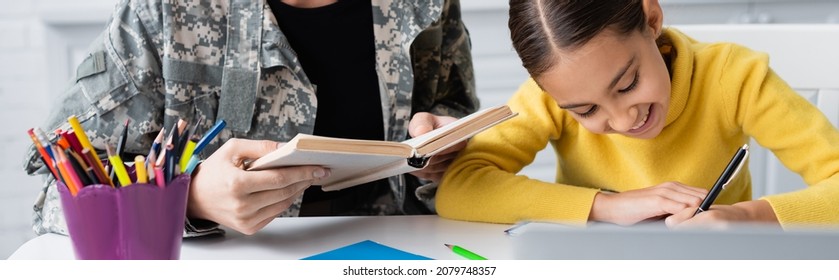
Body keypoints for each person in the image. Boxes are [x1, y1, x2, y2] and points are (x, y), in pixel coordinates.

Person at [23, 0, 478, 237]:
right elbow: (55, 195)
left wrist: (442, 150)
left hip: (391, 256)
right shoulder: (163, 13)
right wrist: (189, 200)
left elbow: (453, 114)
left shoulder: (427, 6)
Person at [436, 0, 839, 229]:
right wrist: (607, 206)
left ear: (651, 20)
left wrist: (748, 217)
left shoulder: (734, 77)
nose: (625, 121)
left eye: (627, 84)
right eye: (587, 110)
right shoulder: (549, 96)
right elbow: (461, 187)